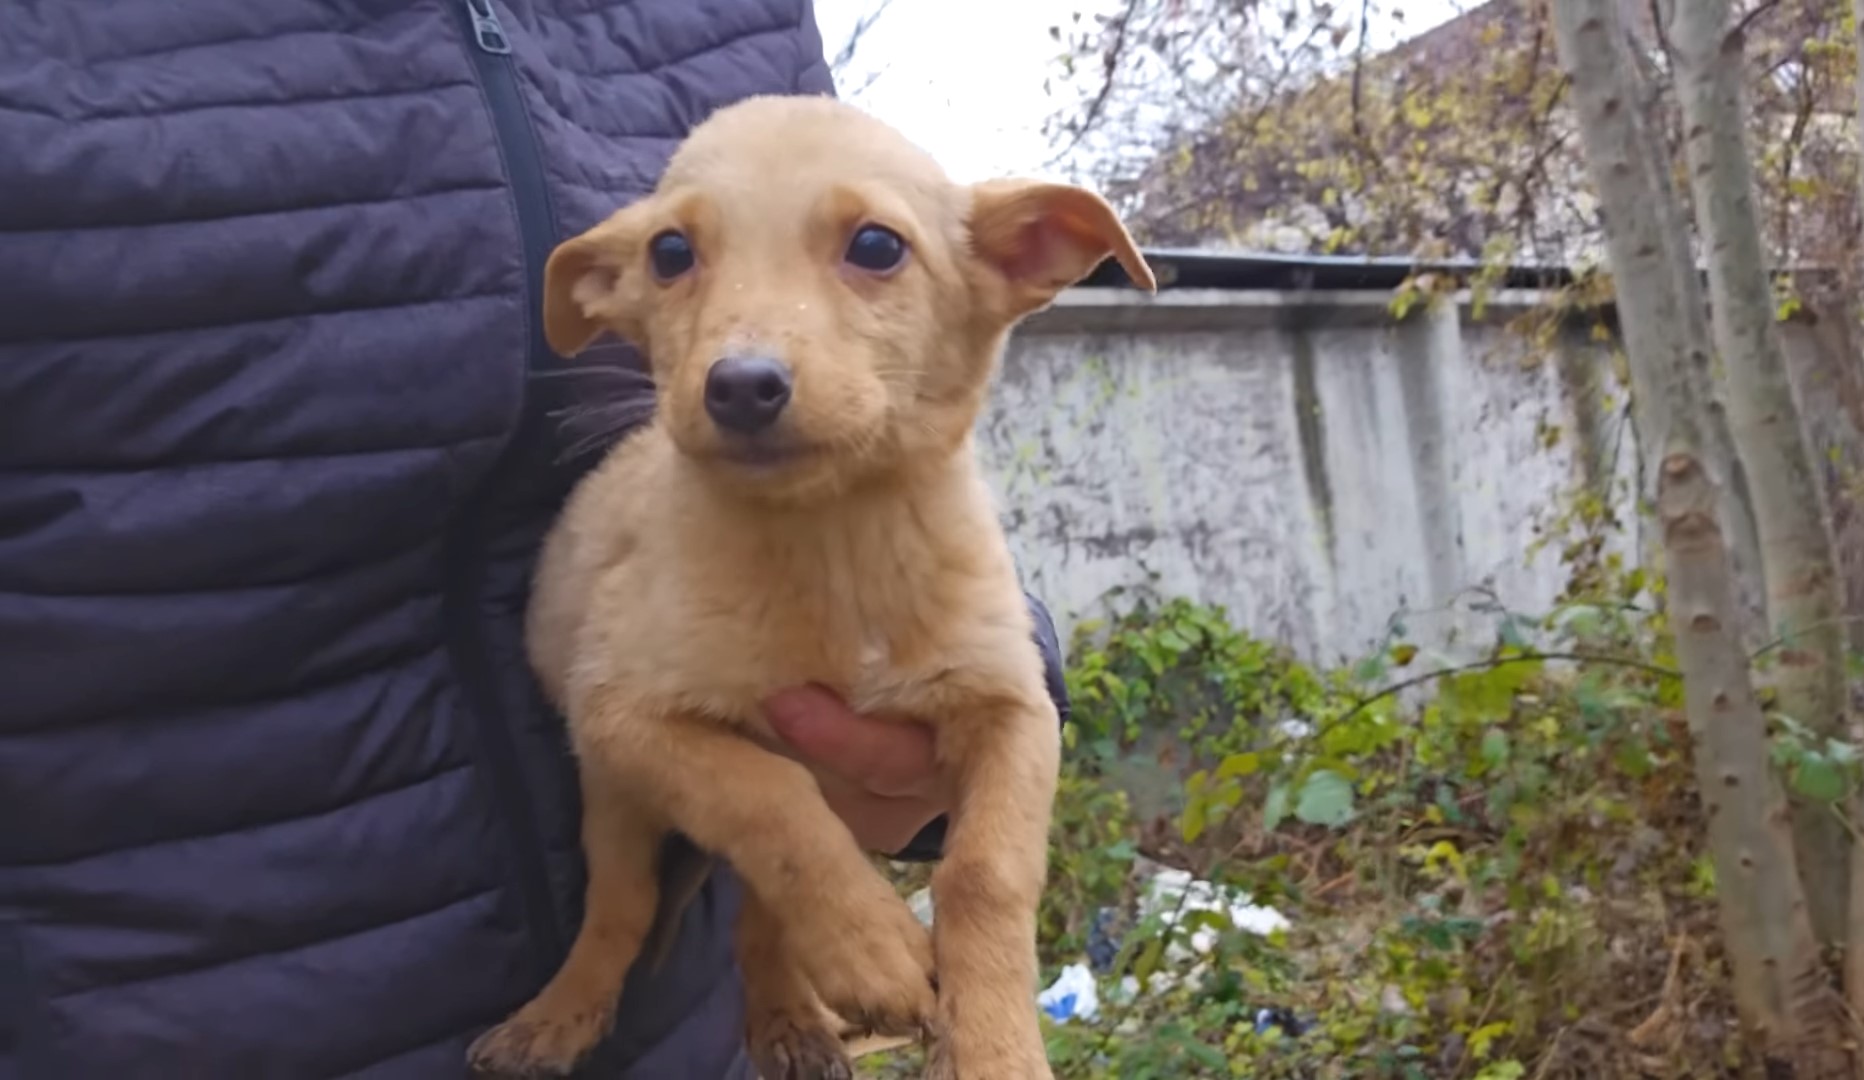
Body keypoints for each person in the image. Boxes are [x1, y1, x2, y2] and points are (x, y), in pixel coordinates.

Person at [0, 3, 1070, 1077]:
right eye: (675, 256)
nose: (746, 355)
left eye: (872, 248)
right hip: (174, 996)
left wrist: (949, 754)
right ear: (606, 284)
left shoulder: (732, 20)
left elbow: (897, 401)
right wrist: (794, 840)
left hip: (684, 1042)